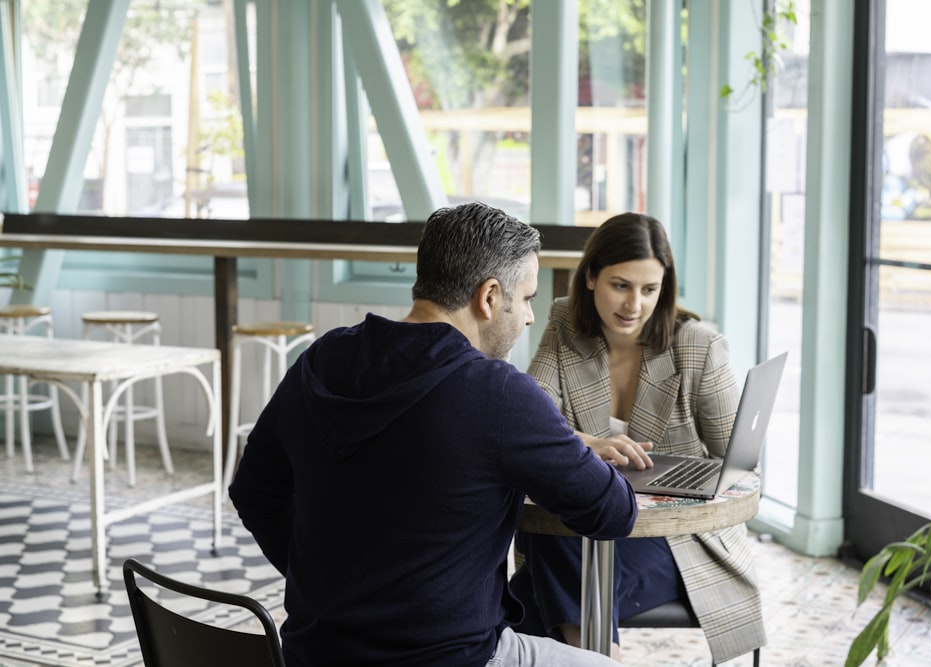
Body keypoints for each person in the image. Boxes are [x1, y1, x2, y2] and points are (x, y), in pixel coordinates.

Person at [228, 202, 637, 667]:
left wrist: (330, 589)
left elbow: (253, 491)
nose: (528, 317)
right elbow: (613, 512)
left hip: (315, 654)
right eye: (526, 298)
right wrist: (567, 441)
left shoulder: (320, 360)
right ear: (488, 297)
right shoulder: (498, 393)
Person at [508, 212, 766, 664]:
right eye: (621, 285)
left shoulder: (699, 346)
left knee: (521, 594)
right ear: (590, 277)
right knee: (560, 545)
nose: (635, 305)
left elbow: (740, 466)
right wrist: (586, 442)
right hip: (587, 527)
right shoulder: (566, 321)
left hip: (676, 540)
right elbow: (533, 420)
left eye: (650, 289)